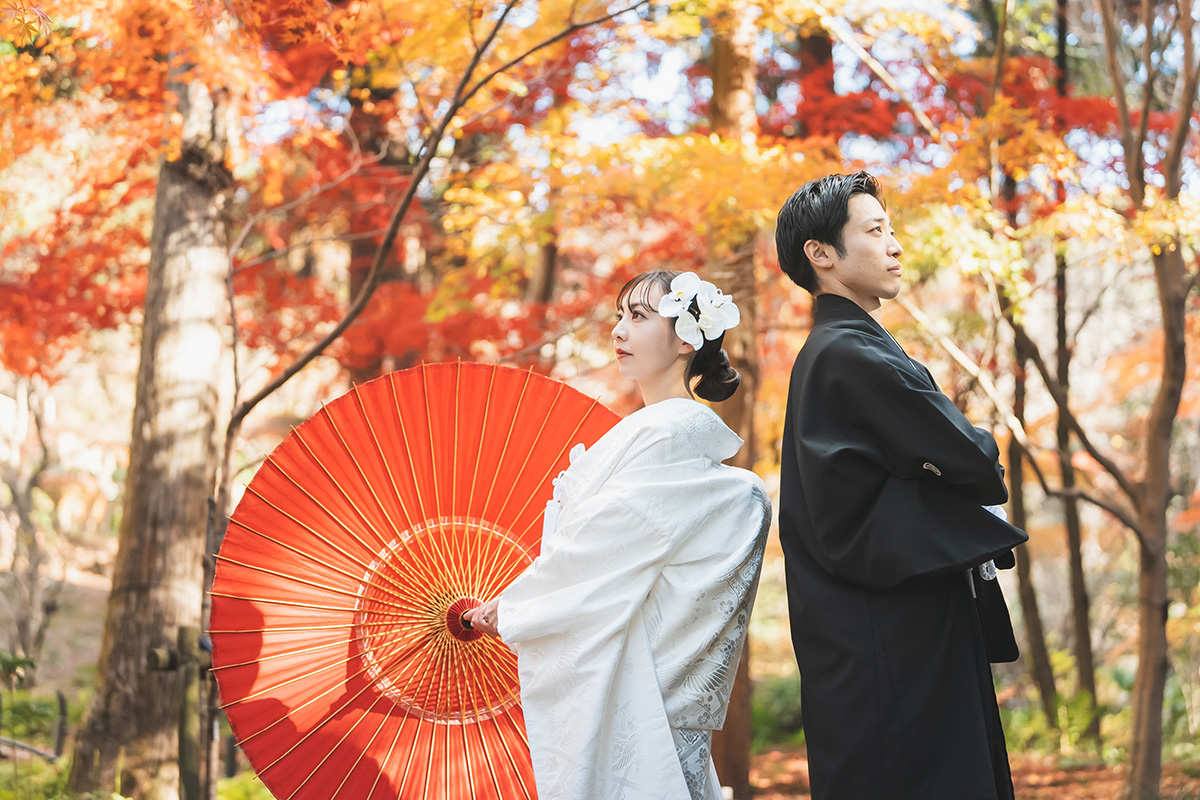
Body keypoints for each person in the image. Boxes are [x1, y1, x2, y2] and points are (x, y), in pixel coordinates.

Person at [464, 270, 771, 800]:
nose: (619, 331)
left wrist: (512, 607)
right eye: (620, 316)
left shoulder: (665, 439)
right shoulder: (660, 436)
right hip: (657, 694)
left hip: (646, 693)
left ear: (683, 340)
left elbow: (597, 553)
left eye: (638, 316)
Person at [773, 171, 1029, 800]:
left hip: (869, 632)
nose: (895, 246)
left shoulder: (830, 352)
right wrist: (963, 450)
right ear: (822, 254)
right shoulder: (851, 354)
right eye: (876, 230)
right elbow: (976, 464)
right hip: (899, 636)